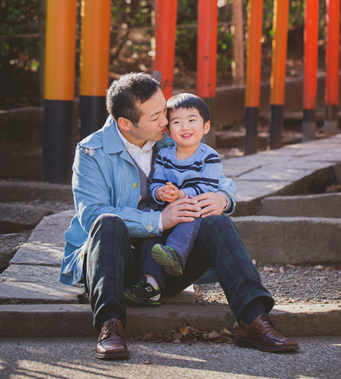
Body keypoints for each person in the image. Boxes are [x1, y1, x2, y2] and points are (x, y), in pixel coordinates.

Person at [59, 73, 298, 360]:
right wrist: (159, 221)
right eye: (157, 115)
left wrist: (223, 198)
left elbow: (216, 176)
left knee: (217, 221)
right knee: (107, 222)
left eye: (165, 109)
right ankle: (111, 325)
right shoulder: (91, 151)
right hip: (114, 266)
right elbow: (91, 215)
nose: (167, 120)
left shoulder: (167, 138)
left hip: (168, 261)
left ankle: (253, 319)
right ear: (125, 123)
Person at [126, 93, 222, 298]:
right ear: (168, 131)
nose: (185, 127)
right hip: (166, 210)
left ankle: (176, 254)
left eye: (192, 120)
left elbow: (208, 186)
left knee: (190, 213)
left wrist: (181, 194)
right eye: (177, 122)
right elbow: (157, 182)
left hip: (192, 209)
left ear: (206, 127)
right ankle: (150, 283)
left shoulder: (210, 157)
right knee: (151, 224)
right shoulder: (164, 155)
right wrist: (161, 193)